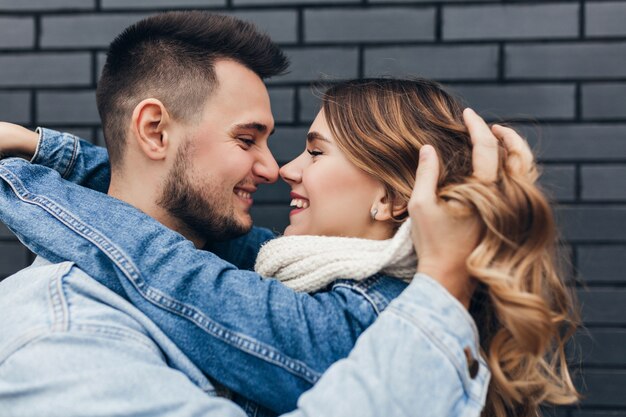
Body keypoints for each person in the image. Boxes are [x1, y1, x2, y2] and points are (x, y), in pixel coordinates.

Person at [0, 11, 577, 417]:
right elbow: (158, 256)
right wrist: (40, 155)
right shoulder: (62, 332)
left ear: (395, 199)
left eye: (314, 151)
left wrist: (30, 173)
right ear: (153, 130)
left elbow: (165, 266)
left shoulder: (361, 297)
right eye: (247, 138)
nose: (279, 169)